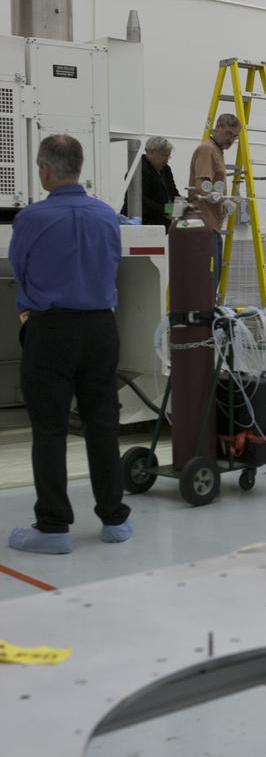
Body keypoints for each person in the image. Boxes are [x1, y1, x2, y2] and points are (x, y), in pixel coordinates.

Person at [8, 134, 132, 555]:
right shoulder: (106, 216)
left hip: (52, 331)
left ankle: (54, 526)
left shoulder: (31, 218)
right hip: (101, 329)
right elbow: (113, 264)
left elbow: (20, 270)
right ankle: (114, 519)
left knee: (49, 429)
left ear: (44, 169)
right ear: (79, 168)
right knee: (102, 424)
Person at [188, 114, 242, 285]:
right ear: (217, 127)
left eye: (235, 136)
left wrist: (226, 202)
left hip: (212, 225)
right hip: (204, 226)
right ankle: (202, 312)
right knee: (207, 281)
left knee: (212, 280)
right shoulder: (208, 150)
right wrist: (220, 199)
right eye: (228, 134)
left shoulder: (217, 151)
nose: (231, 139)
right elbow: (201, 184)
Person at [122, 136, 179, 229]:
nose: (167, 160)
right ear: (151, 152)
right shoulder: (138, 170)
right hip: (142, 224)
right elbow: (140, 200)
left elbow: (171, 194)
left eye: (168, 156)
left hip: (161, 224)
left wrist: (178, 206)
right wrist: (165, 211)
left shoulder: (166, 170)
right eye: (164, 155)